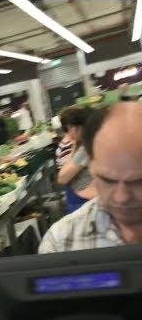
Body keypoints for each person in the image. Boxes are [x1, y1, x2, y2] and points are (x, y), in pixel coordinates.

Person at [39, 102, 142, 253]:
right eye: (107, 180)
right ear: (91, 168)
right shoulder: (61, 243)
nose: (122, 197)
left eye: (138, 182)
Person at [56, 107, 96, 214]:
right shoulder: (92, 141)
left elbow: (62, 178)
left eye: (71, 128)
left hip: (85, 202)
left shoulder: (86, 147)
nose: (70, 134)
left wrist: (75, 146)